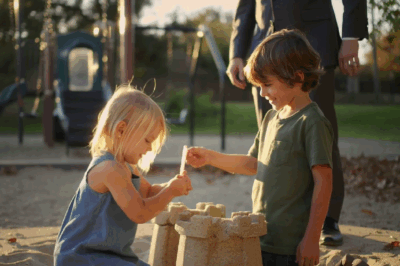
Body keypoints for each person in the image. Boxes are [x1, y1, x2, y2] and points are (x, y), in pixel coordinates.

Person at [226, 0, 369, 246]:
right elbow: (246, 6)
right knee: (271, 140)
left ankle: (327, 220)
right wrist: (237, 52)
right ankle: (278, 218)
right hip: (263, 45)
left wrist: (351, 36)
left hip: (314, 43)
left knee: (321, 136)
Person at [187, 29, 333, 266]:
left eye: (267, 85)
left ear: (296, 78)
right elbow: (252, 164)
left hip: (291, 246)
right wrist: (210, 157)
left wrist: (312, 239)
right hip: (261, 237)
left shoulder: (312, 122)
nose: (263, 93)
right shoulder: (271, 119)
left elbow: (324, 182)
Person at [53, 85, 193, 266]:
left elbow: (149, 192)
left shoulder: (126, 167)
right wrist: (171, 192)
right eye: (147, 140)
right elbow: (140, 213)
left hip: (111, 256)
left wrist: (172, 185)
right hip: (81, 256)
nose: (150, 148)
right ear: (121, 130)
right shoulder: (109, 169)